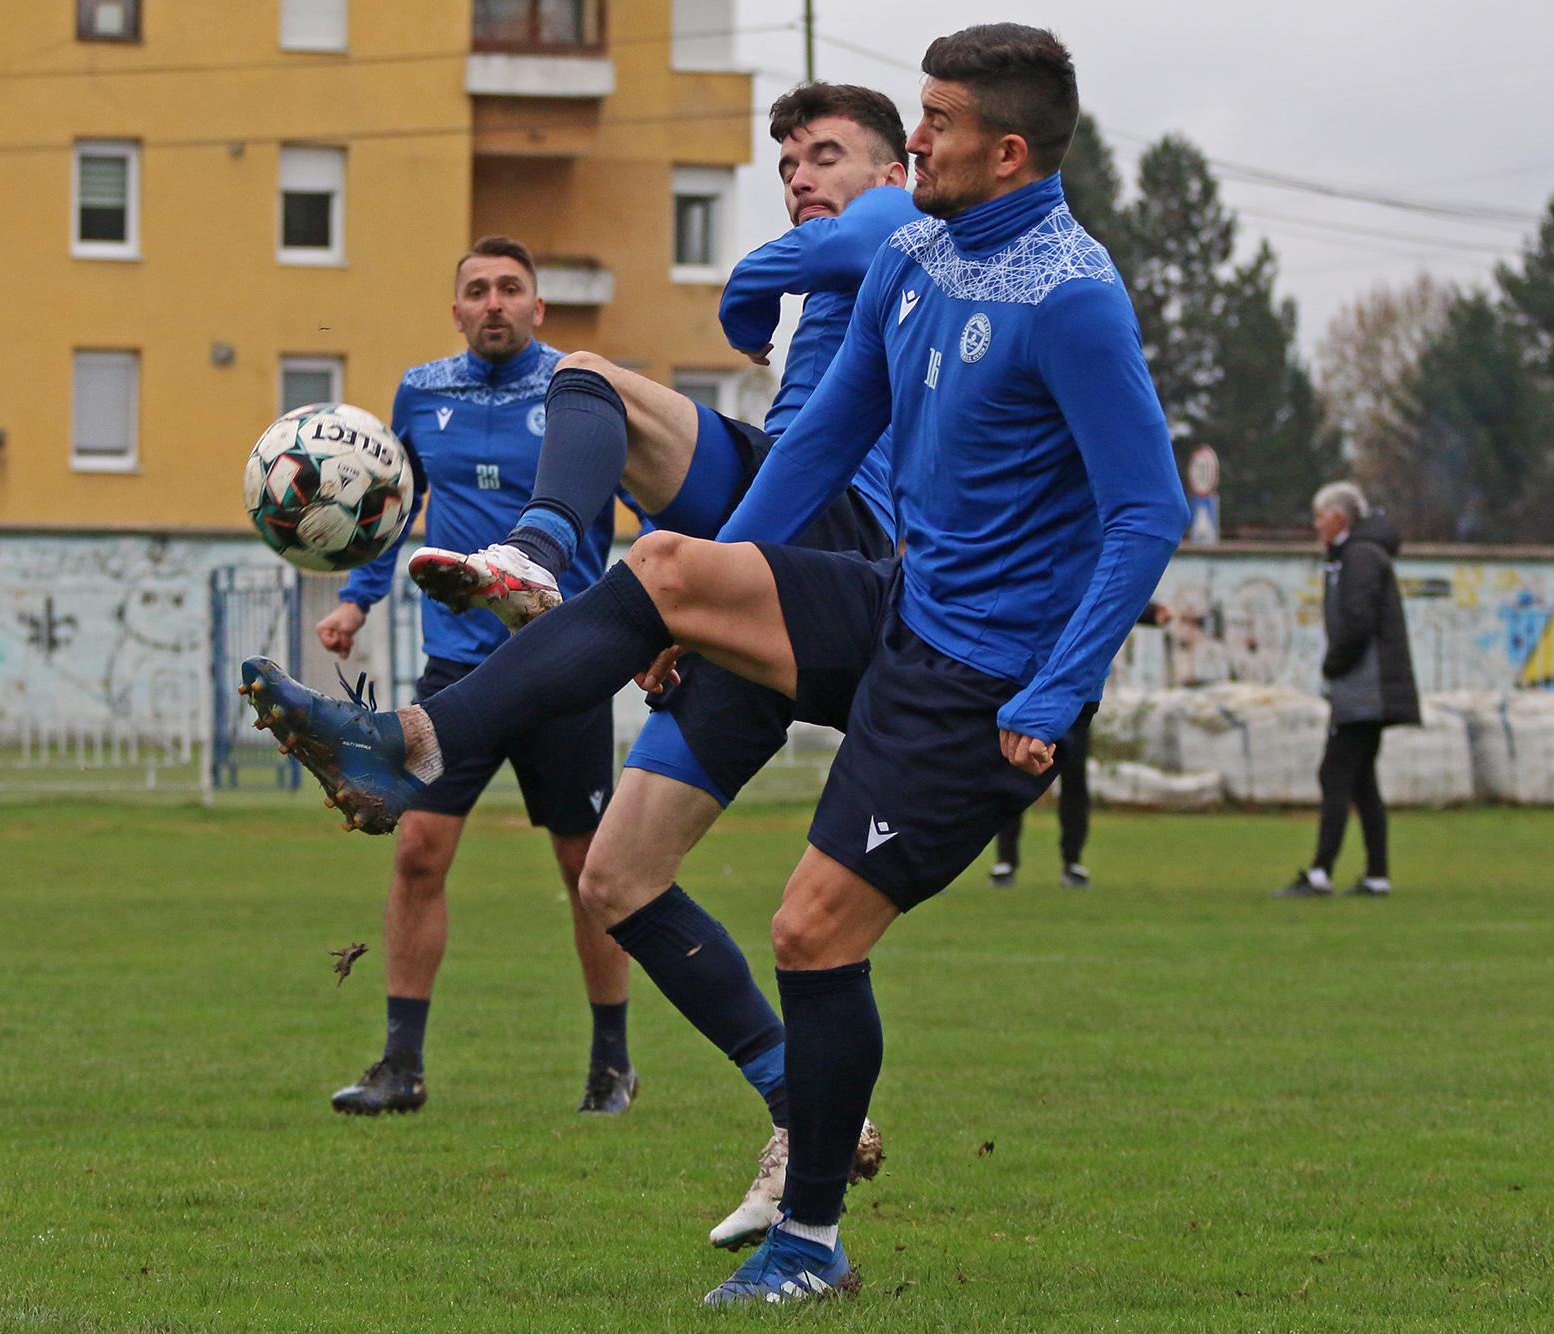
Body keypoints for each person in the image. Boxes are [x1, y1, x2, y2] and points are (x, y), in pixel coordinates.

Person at [237, 22, 1185, 1306]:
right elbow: (822, 434)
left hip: (979, 678)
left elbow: (1146, 510)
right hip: (896, 599)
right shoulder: (910, 252)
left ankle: (810, 1242)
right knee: (670, 571)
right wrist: (705, 593)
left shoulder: (1072, 293)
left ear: (1004, 150)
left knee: (809, 931)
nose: (918, 144)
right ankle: (415, 744)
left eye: (937, 125)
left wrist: (1057, 689)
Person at [407, 82, 920, 1250]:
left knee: (584, 373)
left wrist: (756, 284)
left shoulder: (898, 227)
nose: (798, 174)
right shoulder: (841, 259)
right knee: (616, 878)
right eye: (784, 158)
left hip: (831, 536)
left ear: (892, 169)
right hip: (761, 525)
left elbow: (766, 276)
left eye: (822, 153)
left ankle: (541, 565)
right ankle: (800, 1104)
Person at [310, 236, 636, 1118]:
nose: (494, 302)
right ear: (456, 310)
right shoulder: (421, 392)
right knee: (418, 853)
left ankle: (612, 1064)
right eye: (477, 290)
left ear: (539, 308)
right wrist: (356, 601)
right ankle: (400, 1068)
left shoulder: (580, 391)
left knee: (587, 870)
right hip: (456, 668)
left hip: (564, 662)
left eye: (511, 289)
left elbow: (657, 504)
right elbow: (388, 511)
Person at [1277, 482, 1421, 898]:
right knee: (1362, 782)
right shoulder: (1356, 556)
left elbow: (1356, 622)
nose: (1316, 524)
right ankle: (1377, 875)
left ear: (1339, 519)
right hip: (1365, 688)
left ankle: (1321, 872)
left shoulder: (1357, 558)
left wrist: (1332, 664)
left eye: (1320, 516)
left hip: (1364, 690)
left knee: (1335, 773)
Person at [989, 601, 1170, 888]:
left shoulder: (1073, 575)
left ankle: (1072, 862)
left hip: (1072, 697)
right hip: (1027, 688)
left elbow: (1106, 598)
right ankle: (1005, 860)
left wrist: (1149, 613)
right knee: (1014, 771)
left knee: (1073, 778)